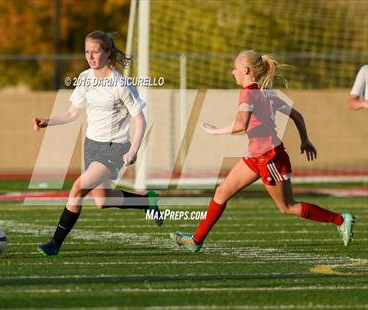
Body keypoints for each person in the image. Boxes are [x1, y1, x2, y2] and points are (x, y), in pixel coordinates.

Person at [170, 50, 355, 252]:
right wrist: (305, 140)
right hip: (255, 157)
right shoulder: (266, 93)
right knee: (221, 192)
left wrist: (216, 132)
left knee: (287, 207)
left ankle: (340, 219)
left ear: (246, 70)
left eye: (235, 68)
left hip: (270, 158)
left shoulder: (248, 93)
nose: (233, 72)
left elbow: (242, 123)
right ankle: (196, 241)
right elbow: (297, 116)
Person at [33, 31, 162, 256]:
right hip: (91, 146)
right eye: (86, 51)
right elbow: (73, 113)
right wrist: (48, 121)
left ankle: (55, 243)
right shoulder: (84, 78)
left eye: (95, 51)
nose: (90, 56)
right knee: (102, 200)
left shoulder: (120, 83)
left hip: (115, 148)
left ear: (108, 52)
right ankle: (146, 202)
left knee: (77, 188)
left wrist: (133, 150)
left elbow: (140, 119)